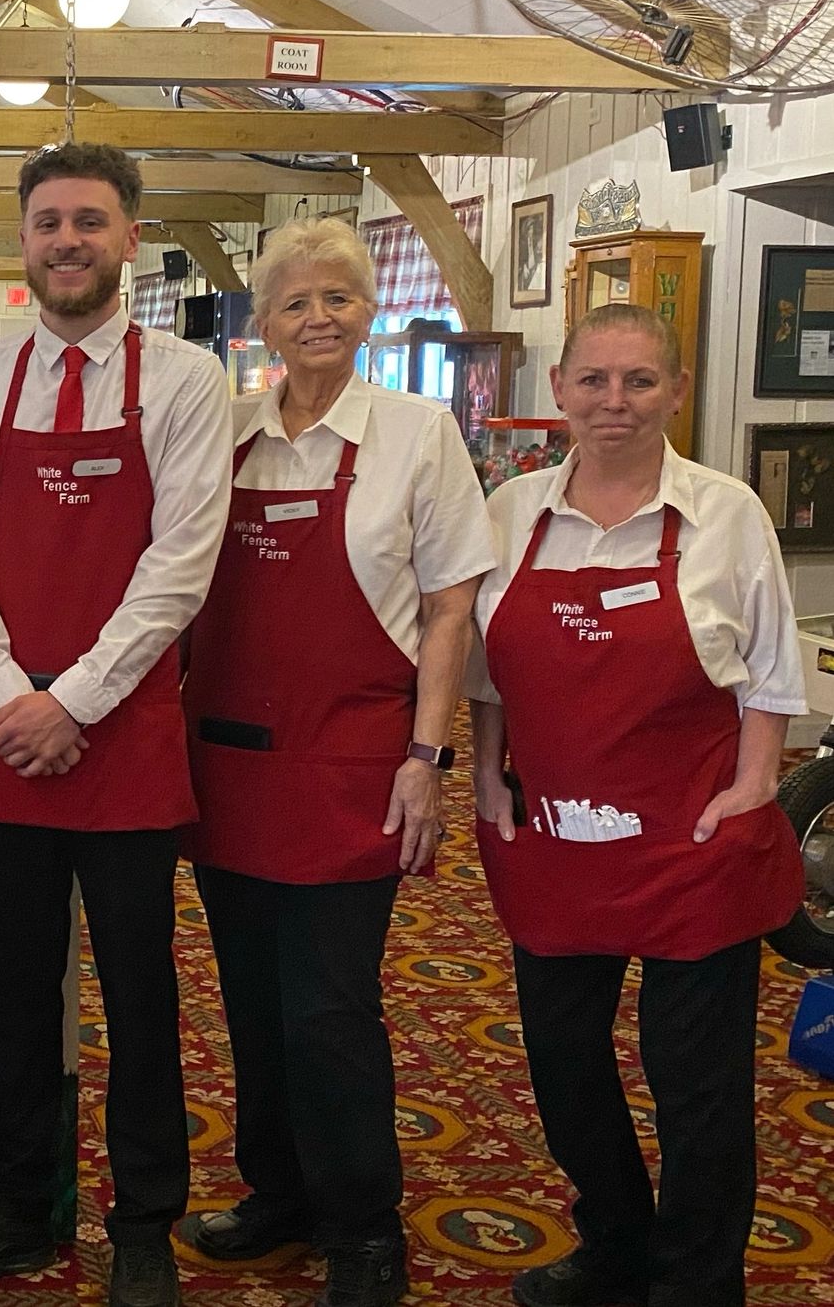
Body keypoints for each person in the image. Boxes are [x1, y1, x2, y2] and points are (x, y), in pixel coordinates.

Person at [0, 144, 231, 1307]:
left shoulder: (189, 380)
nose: (66, 242)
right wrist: (8, 695)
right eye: (47, 222)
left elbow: (180, 561)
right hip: (9, 738)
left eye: (89, 221)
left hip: (125, 732)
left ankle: (143, 1215)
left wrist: (75, 699)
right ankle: (15, 1203)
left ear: (128, 238)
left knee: (142, 991)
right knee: (15, 986)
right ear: (22, 240)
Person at [176, 217, 492, 1307]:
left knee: (328, 1007)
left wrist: (426, 755)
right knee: (251, 1003)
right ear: (259, 322)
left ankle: (362, 1226)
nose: (316, 318)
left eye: (338, 299)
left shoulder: (414, 432)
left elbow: (449, 607)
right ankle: (278, 1193)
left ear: (367, 314)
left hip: (355, 761)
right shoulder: (218, 432)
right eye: (294, 302)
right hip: (225, 763)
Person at [468, 304, 804, 1307]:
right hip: (552, 837)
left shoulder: (724, 512)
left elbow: (770, 678)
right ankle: (612, 1241)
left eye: (638, 381)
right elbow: (485, 676)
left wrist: (750, 788)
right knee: (562, 1064)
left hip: (689, 842)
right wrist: (485, 774)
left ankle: (696, 1281)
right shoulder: (509, 512)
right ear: (560, 387)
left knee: (693, 1084)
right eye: (593, 380)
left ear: (674, 390)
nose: (613, 401)